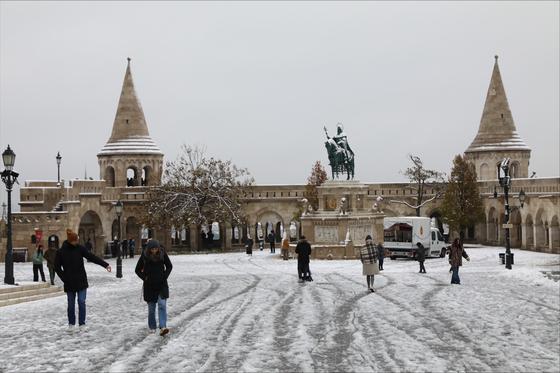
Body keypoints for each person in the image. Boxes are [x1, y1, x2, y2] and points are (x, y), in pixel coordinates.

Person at [54, 229, 111, 327]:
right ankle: (71, 323)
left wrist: (105, 265)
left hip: (81, 280)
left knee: (81, 301)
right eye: (76, 240)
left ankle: (82, 323)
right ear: (71, 241)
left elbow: (91, 257)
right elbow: (57, 267)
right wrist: (64, 278)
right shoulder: (61, 251)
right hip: (69, 282)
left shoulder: (80, 249)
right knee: (71, 304)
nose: (77, 242)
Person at [135, 240, 173, 336]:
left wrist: (165, 276)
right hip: (149, 286)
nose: (154, 251)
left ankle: (163, 326)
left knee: (162, 305)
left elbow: (169, 266)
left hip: (161, 284)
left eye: (156, 249)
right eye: (152, 249)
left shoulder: (163, 254)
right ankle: (152, 327)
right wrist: (145, 278)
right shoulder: (144, 256)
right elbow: (137, 270)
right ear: (149, 249)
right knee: (151, 309)